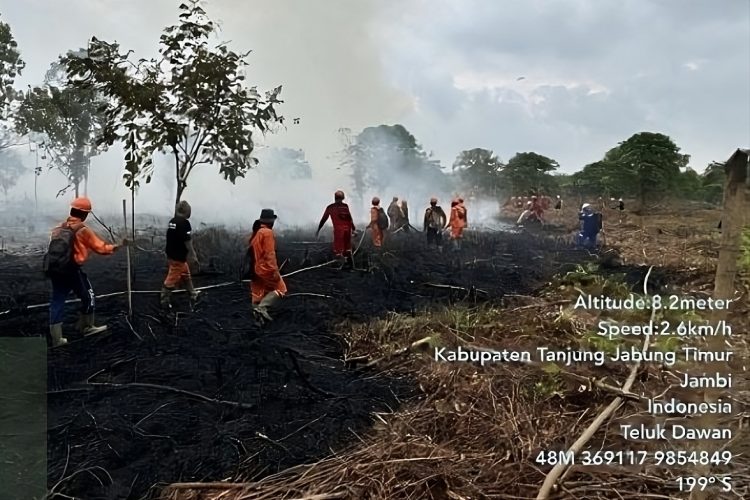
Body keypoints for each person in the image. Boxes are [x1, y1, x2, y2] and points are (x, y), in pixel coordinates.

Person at [46, 196, 127, 347]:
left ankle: (57, 339)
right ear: (84, 214)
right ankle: (87, 327)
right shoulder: (82, 230)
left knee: (57, 301)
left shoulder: (58, 228)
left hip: (56, 269)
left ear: (72, 210)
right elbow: (101, 248)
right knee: (88, 295)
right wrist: (117, 246)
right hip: (72, 270)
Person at [160, 200, 200, 311]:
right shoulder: (185, 224)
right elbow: (188, 242)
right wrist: (193, 255)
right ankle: (164, 301)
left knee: (186, 273)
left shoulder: (172, 221)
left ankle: (192, 293)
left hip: (171, 254)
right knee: (171, 278)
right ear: (187, 211)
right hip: (178, 257)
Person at [249, 209, 287, 321]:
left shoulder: (256, 233)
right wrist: (274, 271)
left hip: (255, 269)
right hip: (266, 269)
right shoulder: (267, 233)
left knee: (258, 294)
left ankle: (258, 320)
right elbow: (270, 254)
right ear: (271, 221)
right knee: (281, 289)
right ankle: (262, 308)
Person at [316, 190, 356, 269]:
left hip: (339, 231)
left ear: (335, 198)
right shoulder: (345, 206)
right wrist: (354, 229)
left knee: (338, 250)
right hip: (347, 230)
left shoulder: (330, 207)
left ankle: (342, 265)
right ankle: (351, 267)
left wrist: (318, 230)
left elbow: (323, 219)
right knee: (347, 249)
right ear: (343, 198)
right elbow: (349, 219)